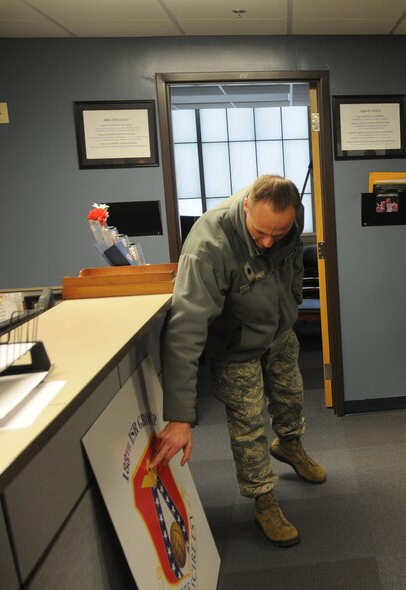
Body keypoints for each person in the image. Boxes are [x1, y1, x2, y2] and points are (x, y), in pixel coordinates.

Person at [151, 174, 325, 547]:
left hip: (278, 331)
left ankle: (291, 445)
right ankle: (263, 498)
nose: (267, 241)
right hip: (234, 346)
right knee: (248, 426)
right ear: (246, 204)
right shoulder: (208, 245)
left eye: (277, 234)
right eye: (260, 233)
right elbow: (185, 328)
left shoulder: (286, 222)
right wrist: (180, 415)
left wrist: (291, 302)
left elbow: (293, 263)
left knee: (291, 397)